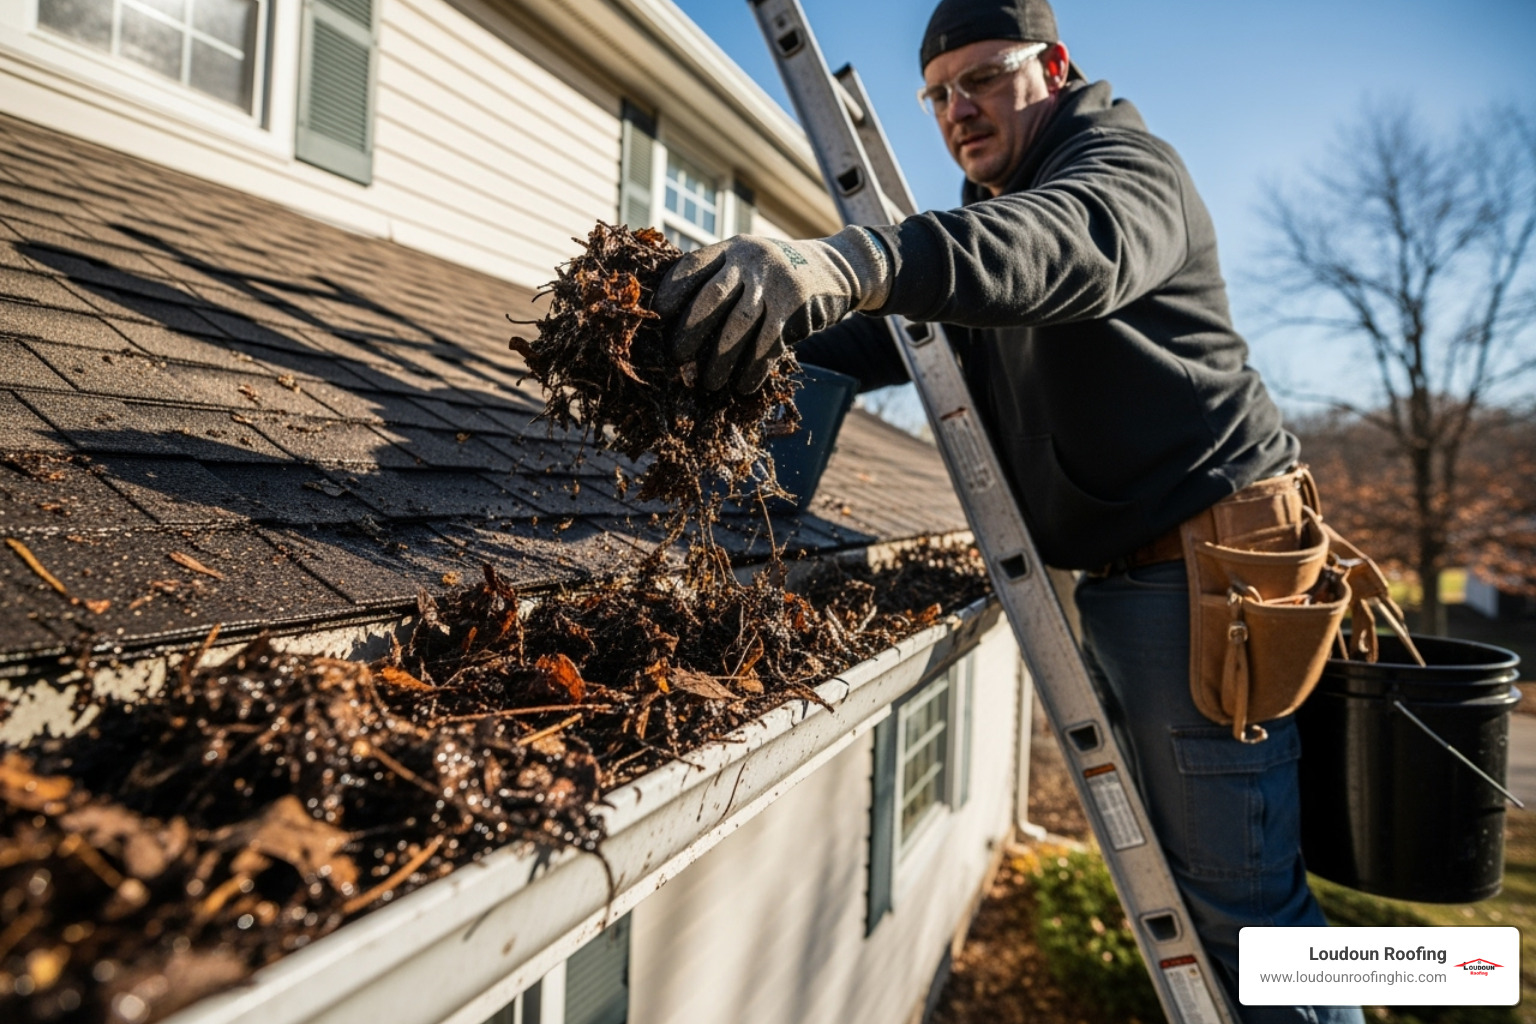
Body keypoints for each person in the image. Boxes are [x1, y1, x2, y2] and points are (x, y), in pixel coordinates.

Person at [654, 1, 1362, 1021]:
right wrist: (759, 319)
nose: (958, 108)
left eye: (984, 78)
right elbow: (900, 335)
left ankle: (1447, 977)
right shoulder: (1000, 211)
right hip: (1134, 578)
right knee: (1206, 893)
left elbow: (1065, 247)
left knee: (1248, 917)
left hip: (1208, 577)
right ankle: (1442, 976)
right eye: (939, 93)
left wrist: (858, 262)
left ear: (1056, 65)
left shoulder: (1121, 168)